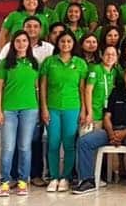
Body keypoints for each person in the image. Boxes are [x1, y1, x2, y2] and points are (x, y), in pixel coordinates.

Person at [72, 62, 126, 194]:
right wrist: (111, 133)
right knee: (84, 141)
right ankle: (87, 180)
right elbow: (107, 116)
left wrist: (124, 133)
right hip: (111, 130)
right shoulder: (116, 91)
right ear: (124, 74)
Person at [0, 31, 41, 197]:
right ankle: (5, 182)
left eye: (24, 41)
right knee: (8, 147)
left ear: (29, 43)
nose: (21, 44)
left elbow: (37, 88)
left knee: (25, 146)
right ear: (13, 44)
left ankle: (23, 181)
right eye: (18, 41)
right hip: (9, 110)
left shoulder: (34, 63)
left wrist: (40, 109)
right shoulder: (5, 64)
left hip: (30, 109)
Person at [39, 31, 88, 192]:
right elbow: (43, 87)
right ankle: (53, 177)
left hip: (72, 107)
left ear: (73, 44)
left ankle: (66, 177)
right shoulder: (49, 62)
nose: (65, 44)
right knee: (53, 143)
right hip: (52, 108)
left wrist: (83, 111)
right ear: (57, 43)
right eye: (62, 41)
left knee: (69, 145)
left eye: (69, 41)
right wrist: (44, 108)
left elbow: (82, 89)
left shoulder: (80, 63)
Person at [83, 46, 119, 134]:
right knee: (89, 140)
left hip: (107, 115)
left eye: (113, 54)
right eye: (107, 54)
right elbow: (88, 91)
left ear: (117, 57)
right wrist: (89, 113)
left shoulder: (114, 72)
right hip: (94, 113)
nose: (110, 57)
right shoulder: (95, 69)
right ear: (102, 56)